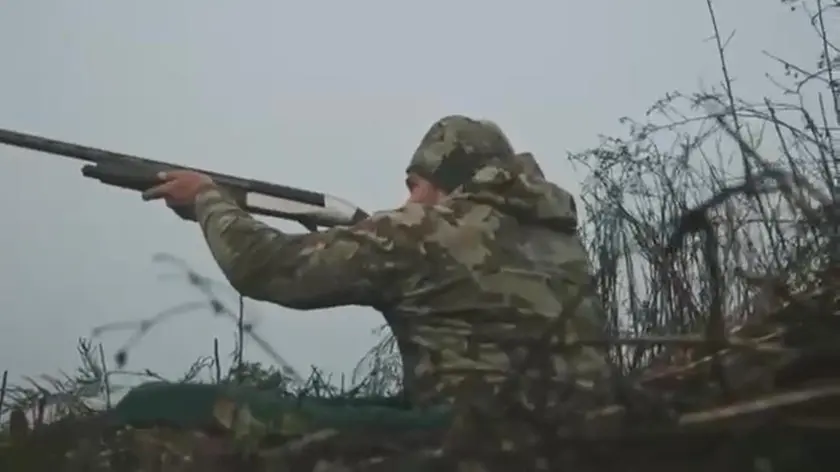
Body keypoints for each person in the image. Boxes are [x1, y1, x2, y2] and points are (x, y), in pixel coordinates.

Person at [142, 115, 610, 469]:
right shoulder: (563, 244)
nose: (407, 201)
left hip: (473, 438)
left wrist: (207, 199)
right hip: (582, 428)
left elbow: (264, 267)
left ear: (448, 182)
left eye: (415, 186)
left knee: (163, 403)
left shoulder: (423, 231)